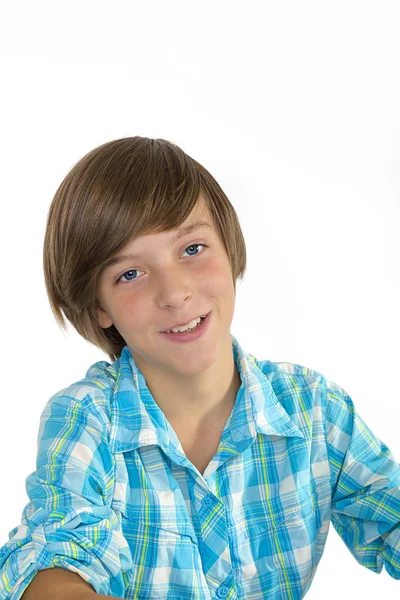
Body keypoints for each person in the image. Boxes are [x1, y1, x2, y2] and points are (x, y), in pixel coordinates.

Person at [0, 136, 399, 600]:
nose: (175, 293)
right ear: (99, 306)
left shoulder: (314, 408)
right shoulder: (87, 418)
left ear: (230, 248)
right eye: (130, 273)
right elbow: (56, 563)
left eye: (192, 249)